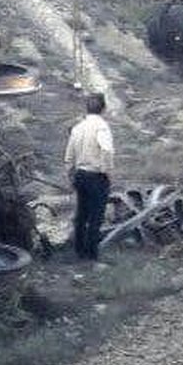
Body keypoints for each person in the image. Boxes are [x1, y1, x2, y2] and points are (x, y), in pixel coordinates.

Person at [64, 92, 115, 261]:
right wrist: (107, 172)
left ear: (87, 108)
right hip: (96, 175)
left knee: (81, 215)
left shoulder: (78, 128)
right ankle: (91, 255)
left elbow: (69, 155)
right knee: (96, 216)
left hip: (80, 174)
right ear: (103, 108)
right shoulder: (102, 127)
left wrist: (70, 174)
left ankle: (79, 251)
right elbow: (106, 150)